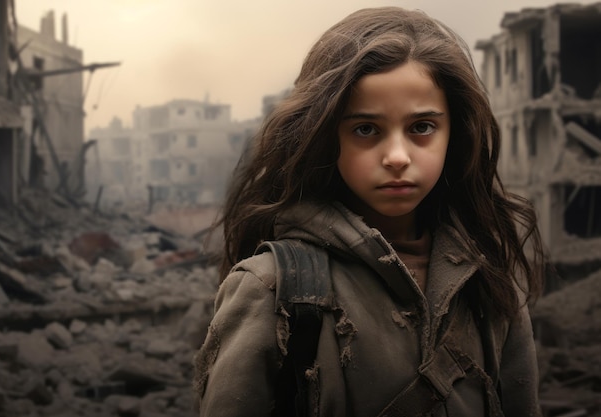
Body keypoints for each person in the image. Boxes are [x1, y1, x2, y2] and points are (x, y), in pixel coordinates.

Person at [194, 6, 545, 417]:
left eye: (422, 127)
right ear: (326, 137)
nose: (397, 156)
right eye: (366, 129)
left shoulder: (488, 284)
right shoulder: (272, 291)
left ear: (455, 133)